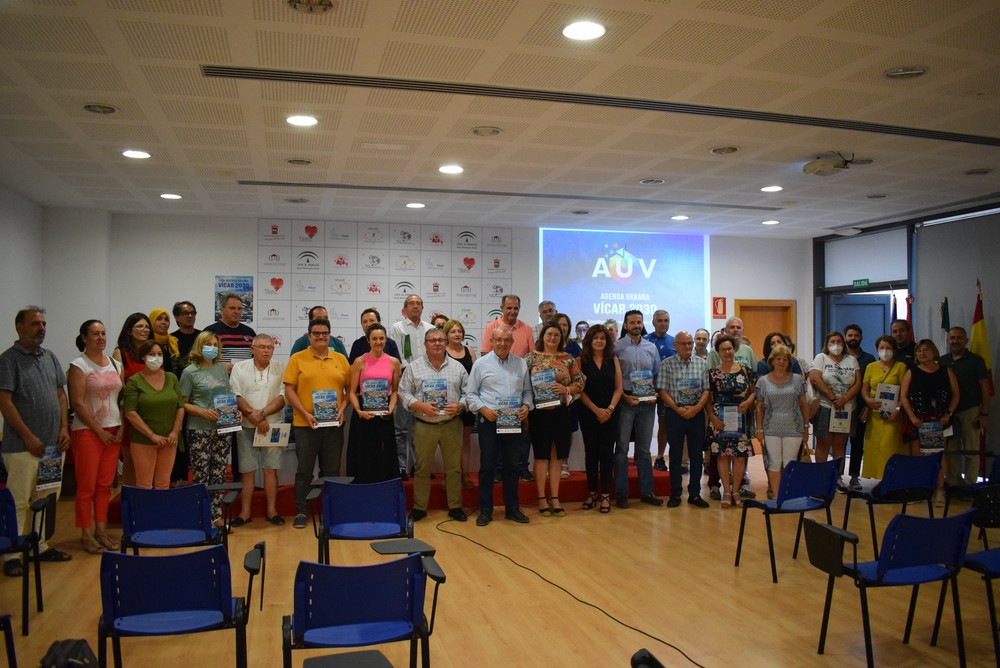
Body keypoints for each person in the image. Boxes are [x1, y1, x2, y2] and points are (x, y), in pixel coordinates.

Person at [0, 306, 73, 573]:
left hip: (53, 447)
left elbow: (61, 395)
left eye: (43, 324)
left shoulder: (50, 357)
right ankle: (12, 554)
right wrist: (28, 437)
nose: (41, 328)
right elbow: (5, 402)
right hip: (22, 447)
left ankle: (39, 545)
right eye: (34, 324)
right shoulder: (8, 360)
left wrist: (64, 428)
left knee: (46, 497)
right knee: (19, 500)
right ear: (19, 327)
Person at [283, 317, 351, 529]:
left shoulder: (340, 358)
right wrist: (304, 413)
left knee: (331, 471)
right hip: (306, 425)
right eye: (316, 334)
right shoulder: (297, 359)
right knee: (304, 470)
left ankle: (331, 510)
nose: (321, 337)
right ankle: (302, 511)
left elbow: (350, 390)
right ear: (309, 336)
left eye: (325, 333)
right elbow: (289, 390)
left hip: (333, 425)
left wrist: (341, 410)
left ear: (329, 335)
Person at [399, 328, 469, 522]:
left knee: (454, 467)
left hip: (451, 423)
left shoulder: (458, 367)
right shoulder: (414, 367)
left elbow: (468, 393)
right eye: (432, 340)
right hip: (424, 424)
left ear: (446, 343)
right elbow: (403, 392)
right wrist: (419, 404)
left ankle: (455, 506)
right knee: (422, 469)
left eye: (440, 340)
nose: (437, 343)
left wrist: (461, 405)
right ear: (425, 344)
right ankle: (420, 508)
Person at [467, 326, 533, 526]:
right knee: (487, 467)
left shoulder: (521, 364)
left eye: (507, 340)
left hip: (513, 422)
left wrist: (526, 407)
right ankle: (486, 510)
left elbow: (528, 393)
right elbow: (470, 394)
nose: (503, 343)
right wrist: (483, 409)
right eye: (498, 340)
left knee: (512, 466)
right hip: (490, 421)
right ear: (492, 342)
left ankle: (512, 508)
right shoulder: (480, 364)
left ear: (512, 343)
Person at [67, 319, 123, 554]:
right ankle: (86, 533)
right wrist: (98, 430)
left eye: (103, 333)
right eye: (95, 334)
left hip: (113, 431)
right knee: (87, 486)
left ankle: (101, 530)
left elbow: (121, 398)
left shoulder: (115, 363)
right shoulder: (78, 365)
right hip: (88, 431)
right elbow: (77, 403)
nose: (100, 337)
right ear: (84, 338)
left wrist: (121, 426)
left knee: (104, 485)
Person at [525, 322, 584, 516]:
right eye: (549, 334)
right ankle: (542, 498)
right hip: (538, 413)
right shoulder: (531, 358)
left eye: (557, 335)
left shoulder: (568, 359)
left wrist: (566, 389)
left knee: (557, 455)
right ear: (542, 336)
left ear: (562, 338)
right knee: (541, 455)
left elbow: (580, 383)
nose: (553, 338)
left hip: (560, 413)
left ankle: (555, 497)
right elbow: (523, 385)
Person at [229, 334, 286, 526]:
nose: (266, 350)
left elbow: (282, 397)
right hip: (246, 426)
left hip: (273, 425)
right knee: (248, 471)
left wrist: (261, 414)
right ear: (252, 349)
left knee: (271, 470)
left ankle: (272, 511)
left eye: (270, 347)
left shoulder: (281, 367)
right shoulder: (239, 367)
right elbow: (235, 395)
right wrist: (253, 416)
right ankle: (245, 513)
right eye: (261, 347)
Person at [480, 294, 534, 481]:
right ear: (502, 308)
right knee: (495, 443)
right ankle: (497, 471)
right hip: (496, 392)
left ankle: (522, 468)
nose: (512, 311)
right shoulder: (491, 327)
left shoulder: (526, 329)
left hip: (518, 387)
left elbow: (531, 357)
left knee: (520, 436)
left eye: (516, 308)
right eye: (509, 308)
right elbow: (485, 354)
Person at [180, 331, 232, 526]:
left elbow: (227, 394)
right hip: (199, 429)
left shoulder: (220, 370)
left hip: (221, 429)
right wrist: (201, 412)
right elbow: (182, 403)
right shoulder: (189, 372)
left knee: (219, 472)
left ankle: (215, 515)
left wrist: (234, 411)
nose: (212, 347)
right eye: (207, 344)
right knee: (201, 474)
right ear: (199, 347)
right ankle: (200, 515)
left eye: (215, 344)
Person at [656, 331, 711, 508]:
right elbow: (663, 391)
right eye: (684, 343)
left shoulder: (702, 364)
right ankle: (675, 493)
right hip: (675, 414)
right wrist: (678, 409)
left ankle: (694, 494)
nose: (688, 346)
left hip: (696, 414)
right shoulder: (667, 365)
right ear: (676, 346)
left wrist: (695, 409)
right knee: (675, 455)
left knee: (696, 455)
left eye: (690, 343)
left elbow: (706, 390)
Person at [613, 310, 662, 508]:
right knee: (622, 449)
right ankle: (621, 494)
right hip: (625, 400)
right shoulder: (616, 347)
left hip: (647, 404)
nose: (636, 325)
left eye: (639, 322)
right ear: (625, 325)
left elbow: (657, 374)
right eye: (632, 322)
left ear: (643, 324)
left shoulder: (651, 347)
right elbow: (613, 378)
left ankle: (647, 492)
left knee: (643, 450)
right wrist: (624, 396)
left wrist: (656, 394)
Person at [900, 339, 959, 500]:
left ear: (934, 352)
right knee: (917, 455)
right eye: (919, 351)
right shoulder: (911, 371)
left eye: (926, 350)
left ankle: (939, 490)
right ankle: (919, 490)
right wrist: (912, 416)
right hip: (917, 421)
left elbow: (956, 395)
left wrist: (948, 414)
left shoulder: (946, 371)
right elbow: (904, 397)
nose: (922, 353)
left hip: (940, 421)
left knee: (940, 456)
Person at [123, 341, 185, 491]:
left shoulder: (171, 378)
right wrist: (152, 436)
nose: (156, 358)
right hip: (143, 441)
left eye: (159, 354)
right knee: (144, 485)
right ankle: (144, 515)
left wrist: (175, 432)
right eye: (151, 354)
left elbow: (180, 407)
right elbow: (130, 412)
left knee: (163, 483)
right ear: (143, 357)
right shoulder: (134, 381)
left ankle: (160, 515)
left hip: (169, 440)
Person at [346, 323, 400, 484]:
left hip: (385, 414)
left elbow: (395, 391)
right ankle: (364, 490)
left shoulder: (394, 362)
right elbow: (352, 392)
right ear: (368, 341)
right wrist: (358, 410)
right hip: (363, 414)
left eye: (381, 338)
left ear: (386, 340)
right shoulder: (359, 361)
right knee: (364, 454)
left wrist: (391, 408)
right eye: (374, 338)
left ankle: (384, 489)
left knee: (386, 454)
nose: (378, 342)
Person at [707, 335, 756, 508]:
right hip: (719, 420)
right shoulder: (713, 374)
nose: (727, 352)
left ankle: (736, 491)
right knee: (722, 456)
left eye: (730, 348)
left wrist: (748, 402)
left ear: (734, 350)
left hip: (740, 418)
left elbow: (754, 391)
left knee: (740, 456)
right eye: (723, 350)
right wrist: (712, 418)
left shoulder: (745, 370)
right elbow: (708, 398)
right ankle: (726, 492)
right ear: (718, 352)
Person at [754, 345, 809, 496]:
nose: (781, 362)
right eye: (778, 358)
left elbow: (804, 405)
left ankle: (788, 494)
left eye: (785, 359)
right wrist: (759, 429)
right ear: (772, 360)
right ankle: (777, 497)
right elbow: (759, 407)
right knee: (774, 463)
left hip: (794, 427)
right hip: (771, 427)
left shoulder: (798, 380)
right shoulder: (763, 381)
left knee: (790, 462)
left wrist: (806, 427)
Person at [810, 330, 861, 491]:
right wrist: (833, 398)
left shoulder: (851, 360)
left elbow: (858, 383)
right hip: (826, 406)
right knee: (824, 442)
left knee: (840, 443)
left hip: (846, 408)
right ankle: (820, 477)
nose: (836, 345)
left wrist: (844, 399)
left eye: (839, 342)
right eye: (832, 342)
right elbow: (815, 378)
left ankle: (837, 477)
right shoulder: (821, 358)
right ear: (827, 344)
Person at [578, 324, 621, 513]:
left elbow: (619, 387)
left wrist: (609, 409)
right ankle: (592, 492)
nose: (599, 341)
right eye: (595, 337)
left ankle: (605, 495)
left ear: (607, 341)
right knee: (591, 455)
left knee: (606, 454)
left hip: (610, 414)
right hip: (588, 413)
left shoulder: (613, 359)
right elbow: (579, 390)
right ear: (589, 340)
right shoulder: (581, 360)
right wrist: (596, 410)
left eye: (603, 338)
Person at [939, 326, 990, 486]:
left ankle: (969, 486)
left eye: (959, 338)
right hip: (949, 413)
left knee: (971, 450)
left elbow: (985, 389)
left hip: (970, 411)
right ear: (948, 340)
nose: (955, 341)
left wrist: (984, 414)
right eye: (952, 338)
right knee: (951, 451)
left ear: (966, 340)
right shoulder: (943, 361)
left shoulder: (976, 361)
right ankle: (954, 484)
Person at [858, 335, 908, 479]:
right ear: (877, 349)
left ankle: (891, 478)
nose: (885, 351)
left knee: (889, 447)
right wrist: (868, 400)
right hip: (874, 414)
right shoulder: (871, 367)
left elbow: (905, 392)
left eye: (888, 348)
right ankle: (878, 478)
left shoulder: (900, 367)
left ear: (894, 349)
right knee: (874, 448)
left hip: (893, 414)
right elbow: (865, 388)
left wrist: (898, 410)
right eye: (882, 348)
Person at [113, 312, 152, 487]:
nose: (145, 330)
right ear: (129, 331)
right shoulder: (120, 353)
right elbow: (119, 387)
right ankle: (129, 503)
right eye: (140, 326)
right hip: (130, 413)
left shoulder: (154, 352)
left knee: (149, 462)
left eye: (146, 327)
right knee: (130, 462)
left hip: (152, 413)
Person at [443, 318, 477, 488]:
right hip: (449, 403)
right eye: (453, 331)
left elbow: (476, 376)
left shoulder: (469, 351)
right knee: (449, 442)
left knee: (465, 440)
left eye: (460, 331)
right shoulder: (442, 351)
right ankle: (450, 476)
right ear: (446, 335)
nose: (457, 334)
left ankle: (464, 474)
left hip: (466, 403)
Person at [843, 324, 876, 489]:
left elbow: (872, 386)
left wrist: (868, 407)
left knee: (857, 444)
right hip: (841, 406)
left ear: (861, 337)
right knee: (839, 443)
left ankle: (854, 477)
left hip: (861, 408)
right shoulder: (839, 358)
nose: (853, 338)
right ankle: (836, 477)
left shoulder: (869, 359)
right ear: (845, 337)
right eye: (850, 335)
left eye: (856, 335)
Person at [646, 309, 676, 473]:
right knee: (643, 423)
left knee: (664, 424)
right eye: (660, 320)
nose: (663, 323)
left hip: (667, 391)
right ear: (653, 322)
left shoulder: (674, 342)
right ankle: (640, 456)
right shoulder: (645, 340)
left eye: (666, 320)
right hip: (646, 390)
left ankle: (659, 457)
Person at [203, 293, 256, 370]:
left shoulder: (250, 333)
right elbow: (201, 360)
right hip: (218, 379)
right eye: (232, 308)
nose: (236, 312)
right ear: (222, 310)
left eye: (239, 308)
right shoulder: (210, 332)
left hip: (244, 380)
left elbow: (256, 359)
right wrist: (221, 367)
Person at [148, 308, 180, 375]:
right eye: (159, 319)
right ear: (151, 321)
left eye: (166, 319)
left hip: (171, 381)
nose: (163, 322)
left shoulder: (173, 341)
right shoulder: (146, 343)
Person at [171, 300, 201, 369]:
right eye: (185, 313)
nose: (190, 316)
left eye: (192, 313)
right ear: (176, 317)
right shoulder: (171, 339)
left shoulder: (201, 336)